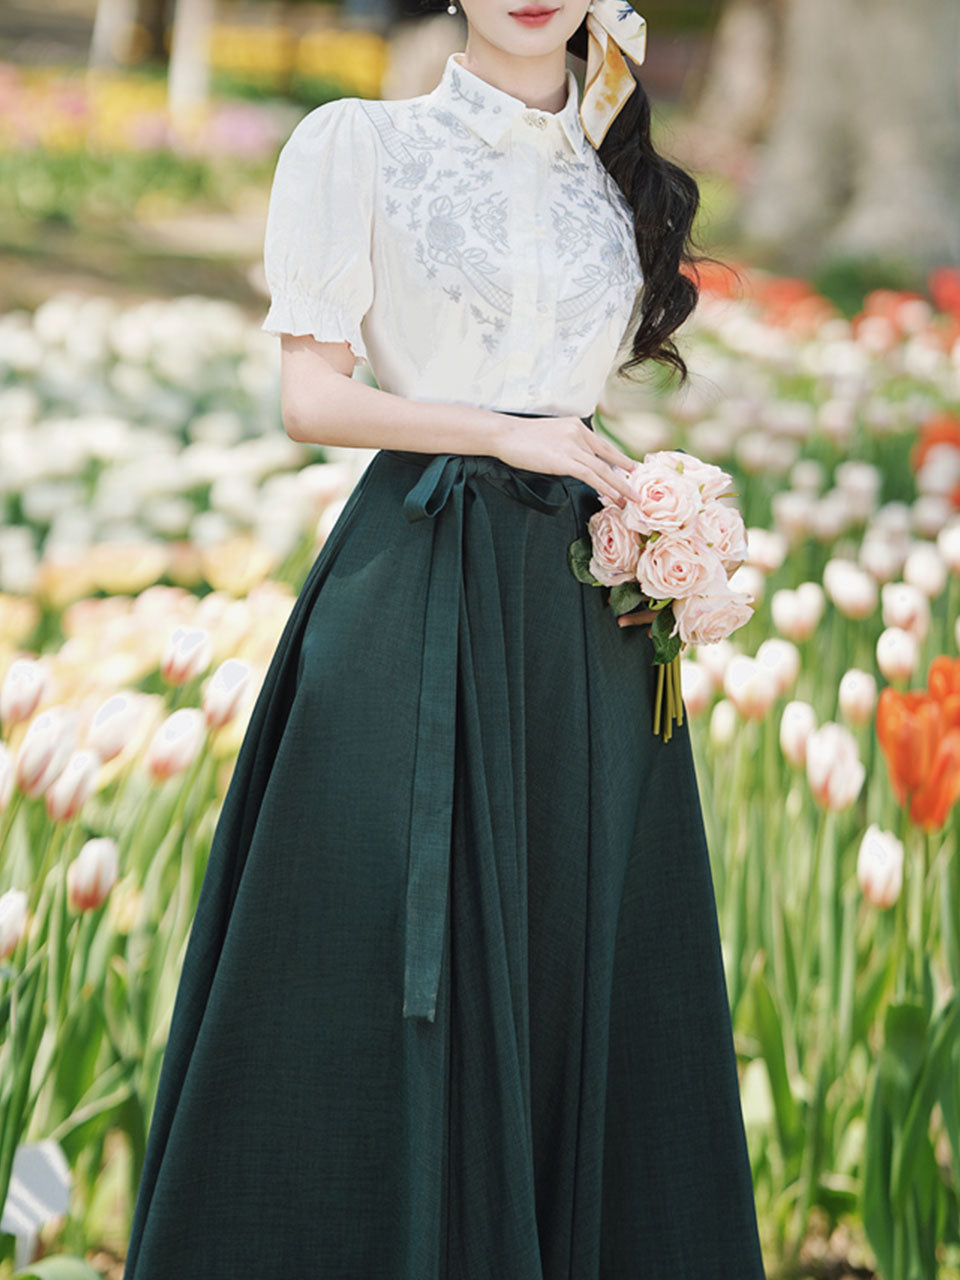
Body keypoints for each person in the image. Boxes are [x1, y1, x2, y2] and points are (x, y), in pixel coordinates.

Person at [122, 1, 769, 1276]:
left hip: (589, 620)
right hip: (413, 578)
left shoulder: (614, 177)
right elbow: (312, 396)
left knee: (580, 973)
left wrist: (655, 500)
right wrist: (500, 429)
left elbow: (571, 400)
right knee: (367, 963)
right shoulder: (356, 141)